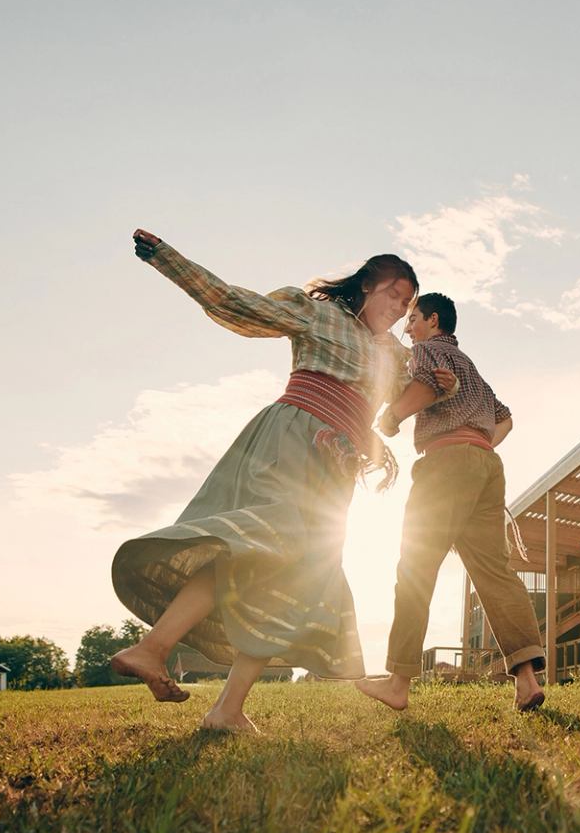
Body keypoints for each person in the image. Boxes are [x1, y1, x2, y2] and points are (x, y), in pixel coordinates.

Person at [108, 231, 421, 735]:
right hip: (291, 439)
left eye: (406, 303)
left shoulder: (395, 355)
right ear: (366, 285)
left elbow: (404, 398)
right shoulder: (317, 313)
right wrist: (169, 259)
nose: (399, 306)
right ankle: (155, 650)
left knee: (285, 576)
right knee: (252, 546)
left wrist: (383, 438)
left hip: (333, 471)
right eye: (392, 293)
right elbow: (234, 303)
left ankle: (221, 703)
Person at [357, 293, 547, 714]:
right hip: (486, 465)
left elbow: (425, 384)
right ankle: (527, 681)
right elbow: (506, 418)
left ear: (433, 320)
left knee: (415, 569)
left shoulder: (425, 352)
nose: (408, 328)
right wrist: (477, 445)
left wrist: (390, 419)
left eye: (413, 319)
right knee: (495, 573)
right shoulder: (475, 372)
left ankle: (398, 682)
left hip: (445, 463)